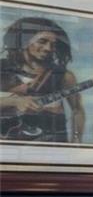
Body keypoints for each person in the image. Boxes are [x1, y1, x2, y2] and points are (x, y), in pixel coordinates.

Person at [0, 15, 85, 143]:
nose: (48, 48)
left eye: (53, 44)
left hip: (51, 143)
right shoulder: (2, 68)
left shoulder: (64, 75)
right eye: (42, 41)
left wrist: (77, 141)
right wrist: (14, 101)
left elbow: (77, 110)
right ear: (24, 40)